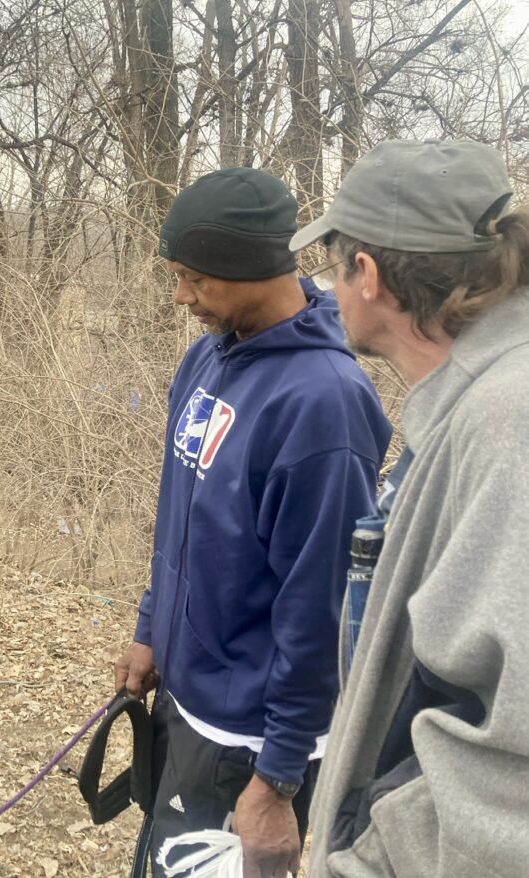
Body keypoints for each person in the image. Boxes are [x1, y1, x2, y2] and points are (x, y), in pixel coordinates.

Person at [112, 168, 393, 878]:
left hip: (248, 739)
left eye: (194, 279)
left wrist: (278, 778)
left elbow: (321, 605)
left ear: (249, 271)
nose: (180, 296)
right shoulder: (204, 360)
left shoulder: (322, 403)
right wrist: (151, 630)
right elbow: (179, 519)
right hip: (187, 700)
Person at [290, 139, 529, 877]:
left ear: (368, 274)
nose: (329, 292)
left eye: (333, 268)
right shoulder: (477, 401)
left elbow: (506, 762)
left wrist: (368, 861)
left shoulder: (509, 423)